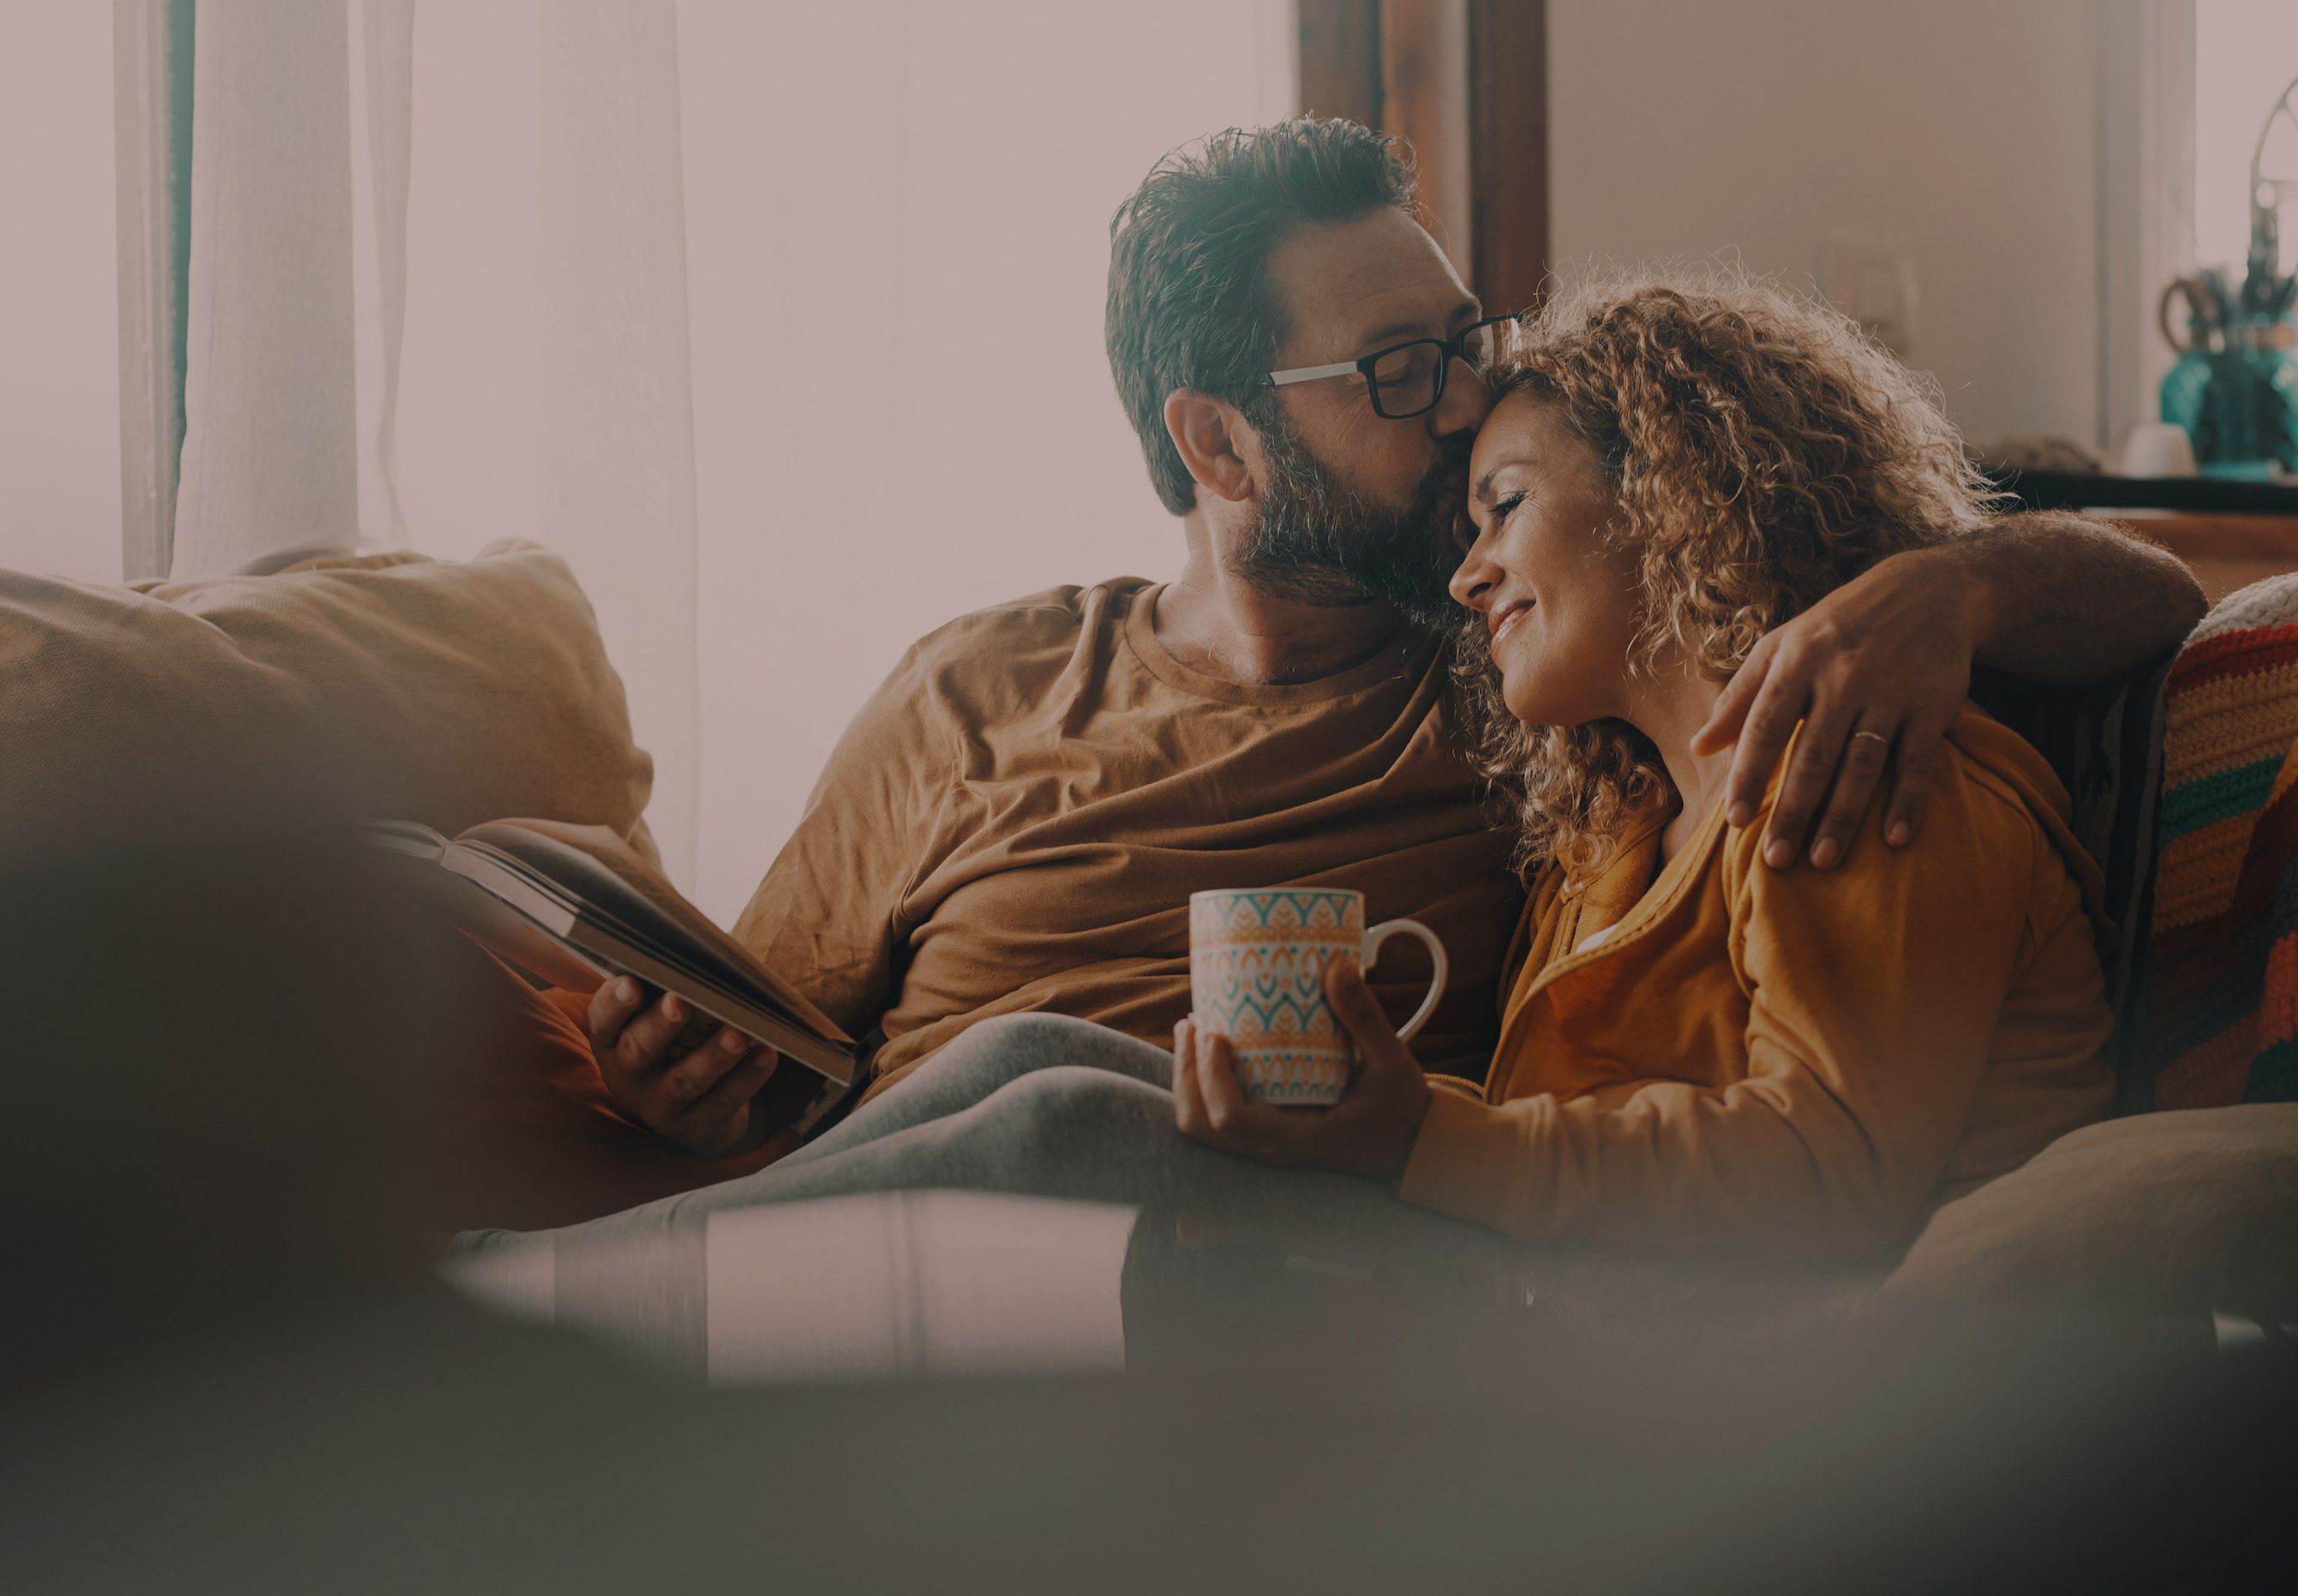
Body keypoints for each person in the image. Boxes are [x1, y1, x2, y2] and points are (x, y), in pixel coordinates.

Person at [555, 118, 2198, 1197]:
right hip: (907, 1259)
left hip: (1284, 1276)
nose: (1474, 396)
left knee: (1066, 1095)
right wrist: (695, 1106)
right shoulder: (972, 691)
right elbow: (774, 1077)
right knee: (1033, 1068)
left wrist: (1948, 589)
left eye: (1468, 342)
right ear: (1221, 445)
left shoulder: (1542, 696)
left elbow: (2167, 614)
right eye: (1404, 369)